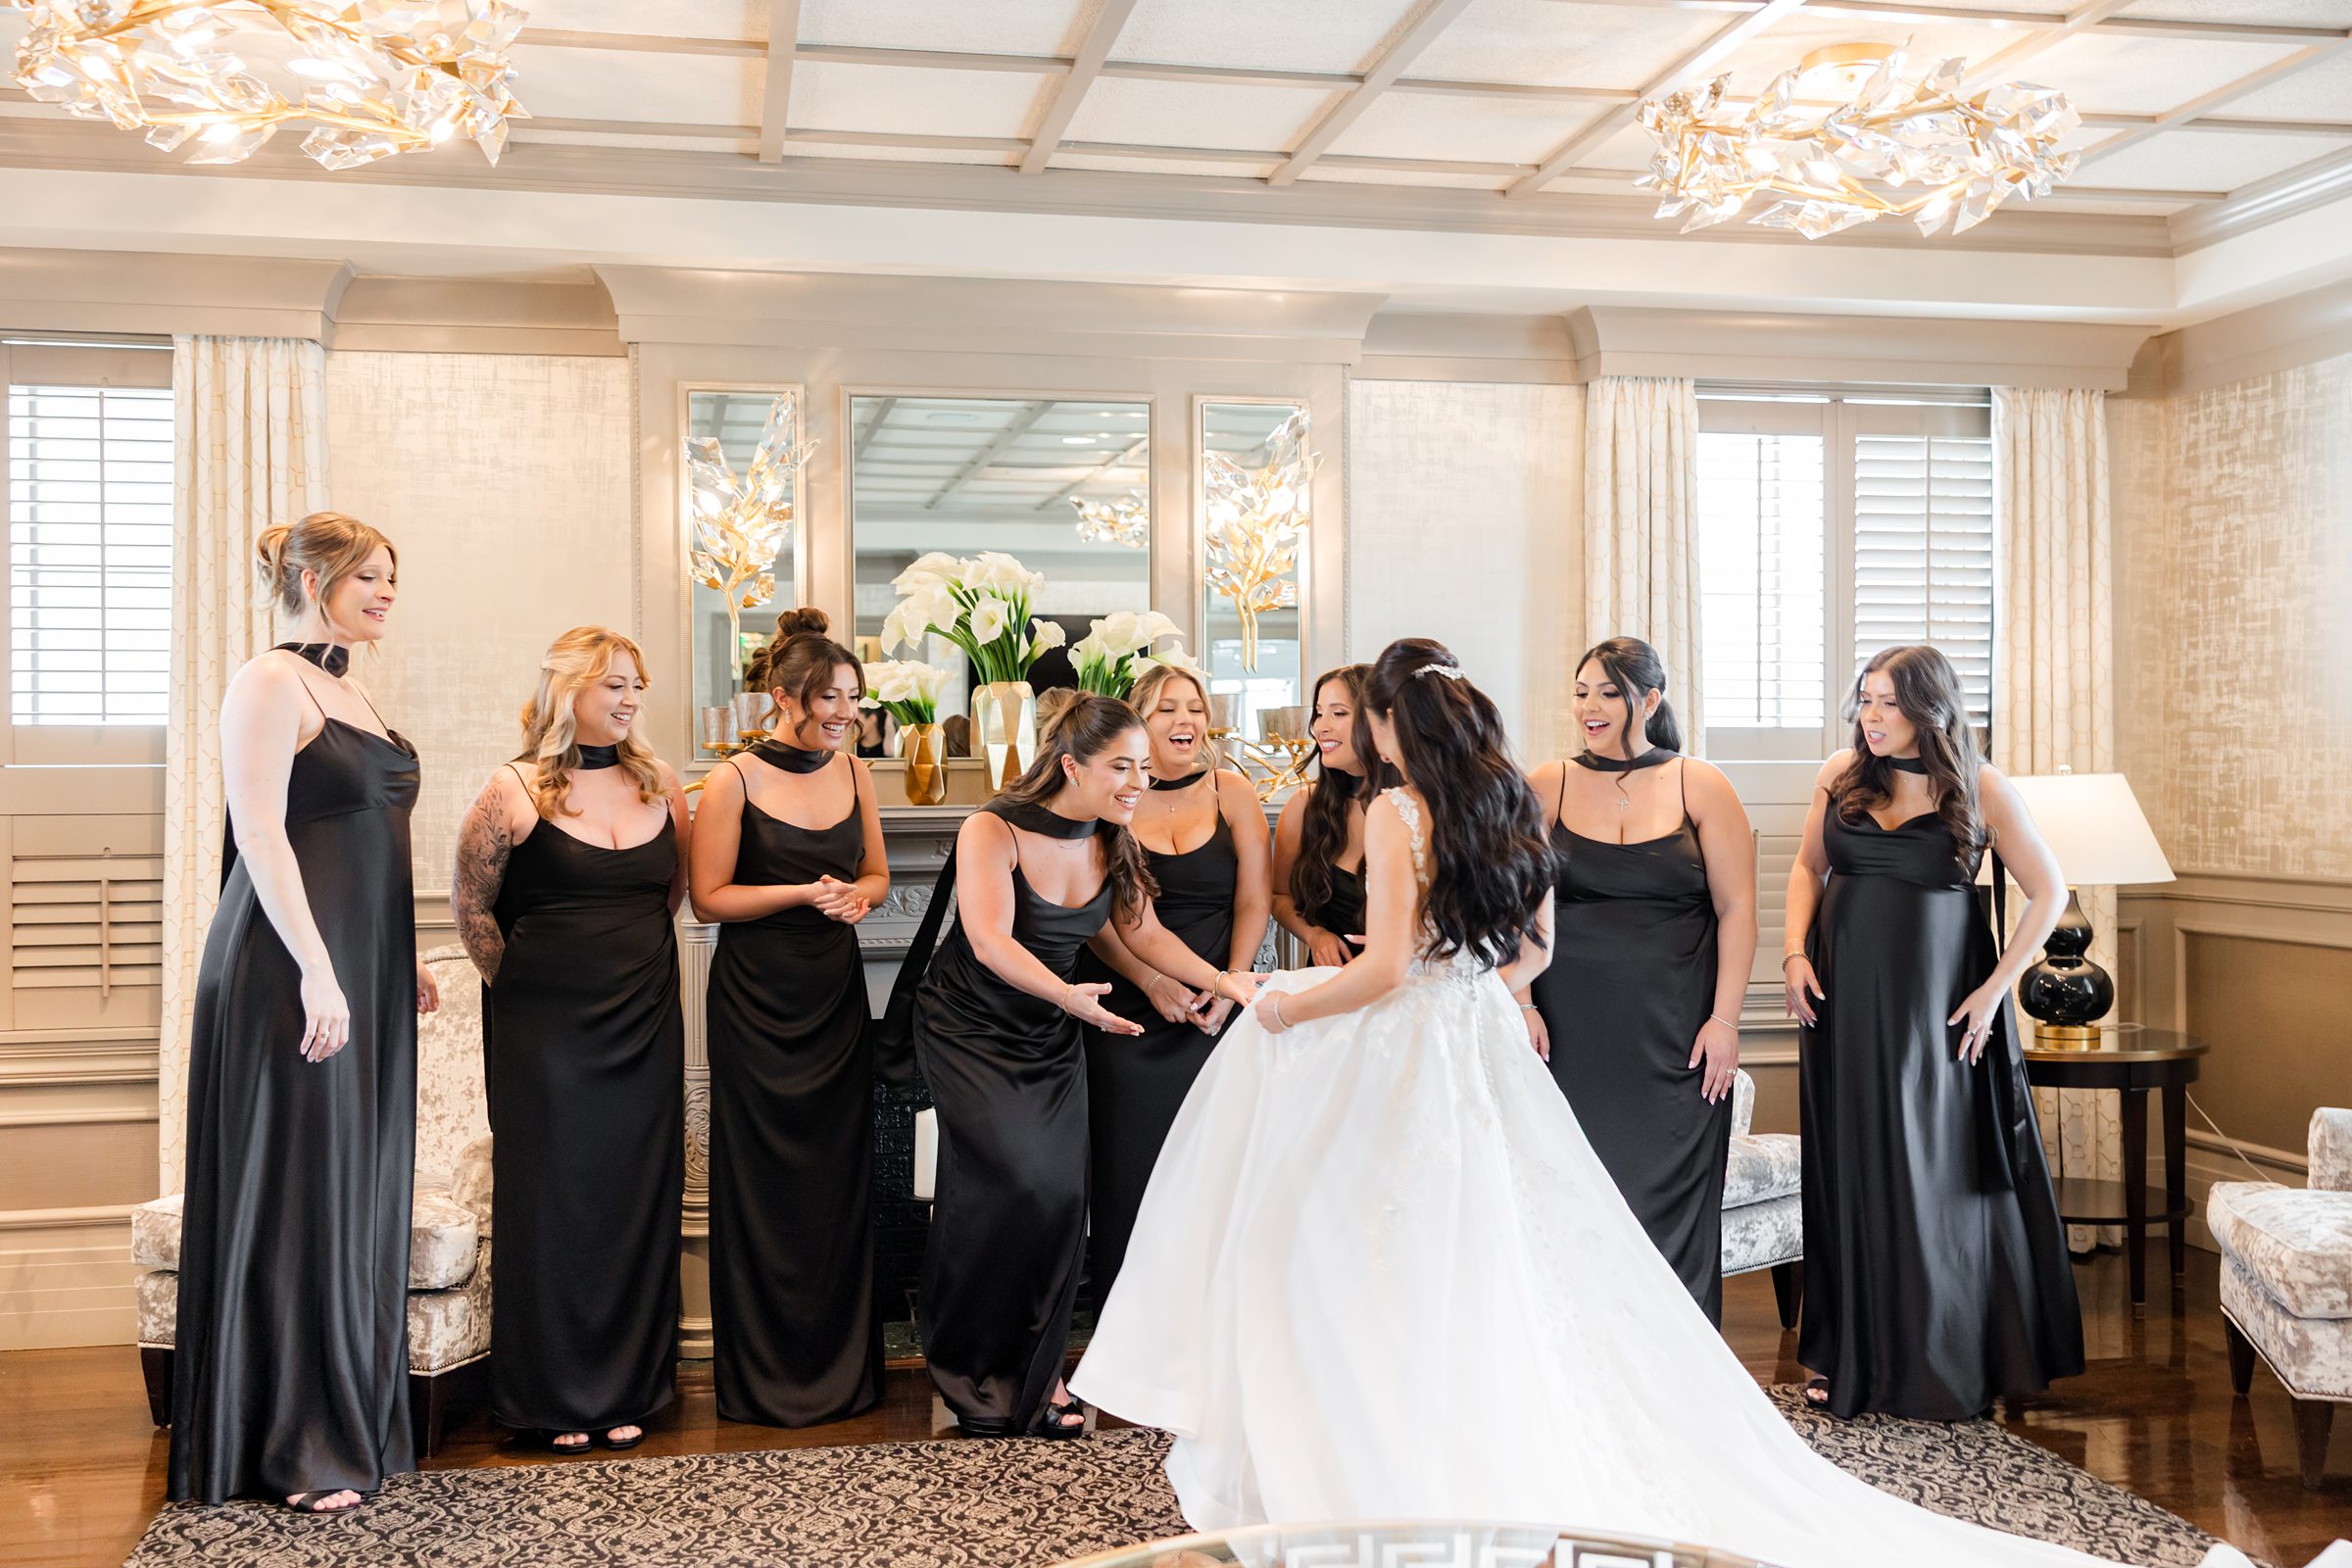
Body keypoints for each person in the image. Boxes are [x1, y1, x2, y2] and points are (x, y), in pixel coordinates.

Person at [1070, 637, 2217, 1568]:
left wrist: (1284, 1008)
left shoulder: (1397, 811)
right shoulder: (1502, 799)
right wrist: (1479, 993)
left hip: (1425, 1041)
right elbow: (1529, 950)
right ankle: (1471, 1430)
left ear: (1389, 724)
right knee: (1481, 1246)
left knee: (1356, 1241)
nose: (1358, 733)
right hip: (1476, 1042)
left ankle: (1378, 1441)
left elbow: (1380, 971)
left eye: (1365, 716)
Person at [891, 694, 1262, 1439]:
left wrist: (1226, 981)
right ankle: (971, 1368)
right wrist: (1070, 997)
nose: (1138, 783)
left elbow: (1142, 932)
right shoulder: (991, 828)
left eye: (1144, 769)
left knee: (1060, 1198)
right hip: (971, 1028)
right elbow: (990, 941)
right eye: (1122, 767)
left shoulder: (1111, 836)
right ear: (1071, 766)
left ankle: (1038, 1375)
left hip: (1050, 1029)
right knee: (1010, 1188)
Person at [171, 512, 438, 1512]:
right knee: (303, 1193)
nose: (387, 592)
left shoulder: (352, 689)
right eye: (369, 575)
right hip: (288, 968)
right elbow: (260, 835)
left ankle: (349, 1419)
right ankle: (296, 1444)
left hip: (364, 965)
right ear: (314, 579)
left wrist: (402, 953)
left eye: (392, 576)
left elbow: (364, 837)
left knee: (354, 1188)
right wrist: (319, 970)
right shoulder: (268, 681)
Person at [1785, 645, 2083, 1420]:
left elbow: (2049, 891)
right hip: (1843, 1004)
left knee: (1931, 1175)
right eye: (1865, 700)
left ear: (1930, 708)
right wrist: (1792, 952)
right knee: (1853, 1169)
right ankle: (1853, 1354)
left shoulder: (1980, 786)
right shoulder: (1840, 775)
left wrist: (1993, 990)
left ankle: (1938, 1360)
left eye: (1888, 702)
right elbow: (1808, 869)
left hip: (1938, 1012)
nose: (1870, 717)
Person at [452, 626, 690, 1453]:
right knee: (555, 1203)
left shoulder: (663, 785)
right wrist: (527, 994)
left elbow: (668, 897)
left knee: (635, 1196)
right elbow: (472, 909)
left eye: (636, 684)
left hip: (645, 1024)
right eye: (612, 683)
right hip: (544, 1035)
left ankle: (630, 1388)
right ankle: (552, 1396)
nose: (629, 699)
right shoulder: (512, 789)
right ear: (567, 691)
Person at [689, 609, 890, 1426]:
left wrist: (854, 897)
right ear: (783, 696)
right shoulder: (731, 780)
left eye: (853, 698)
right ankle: (763, 1377)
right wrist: (804, 893)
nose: (846, 713)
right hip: (756, 1003)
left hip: (834, 995)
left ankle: (843, 1372)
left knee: (837, 1174)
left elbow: (876, 876)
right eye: (830, 697)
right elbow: (709, 899)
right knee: (763, 1178)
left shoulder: (856, 773)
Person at [1521, 637, 1756, 1323]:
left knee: (1669, 1199)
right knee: (1574, 1190)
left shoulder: (1700, 784)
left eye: (1607, 692)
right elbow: (1512, 906)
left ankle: (1679, 1356)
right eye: (1581, 692)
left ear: (1649, 701)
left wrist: (1725, 1021)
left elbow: (1738, 909)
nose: (1588, 707)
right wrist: (1522, 1001)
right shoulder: (1546, 784)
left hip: (1677, 1032)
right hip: (1568, 1031)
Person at [1076, 662, 1272, 1298]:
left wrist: (1231, 982)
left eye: (1194, 707)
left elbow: (1254, 899)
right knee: (1130, 1167)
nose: (1185, 719)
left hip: (1220, 1003)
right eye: (1167, 708)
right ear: (1138, 720)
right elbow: (1097, 915)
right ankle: (1126, 1313)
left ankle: (1210, 1312)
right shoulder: (1111, 796)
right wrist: (1150, 980)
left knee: (1217, 1170)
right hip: (1127, 1006)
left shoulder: (1232, 791)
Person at [1269, 665, 1375, 966]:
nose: (1320, 727)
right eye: (1318, 713)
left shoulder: (1415, 808)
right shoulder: (1304, 806)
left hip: (1406, 982)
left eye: (1338, 713)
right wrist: (1314, 935)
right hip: (1328, 977)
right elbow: (1279, 896)